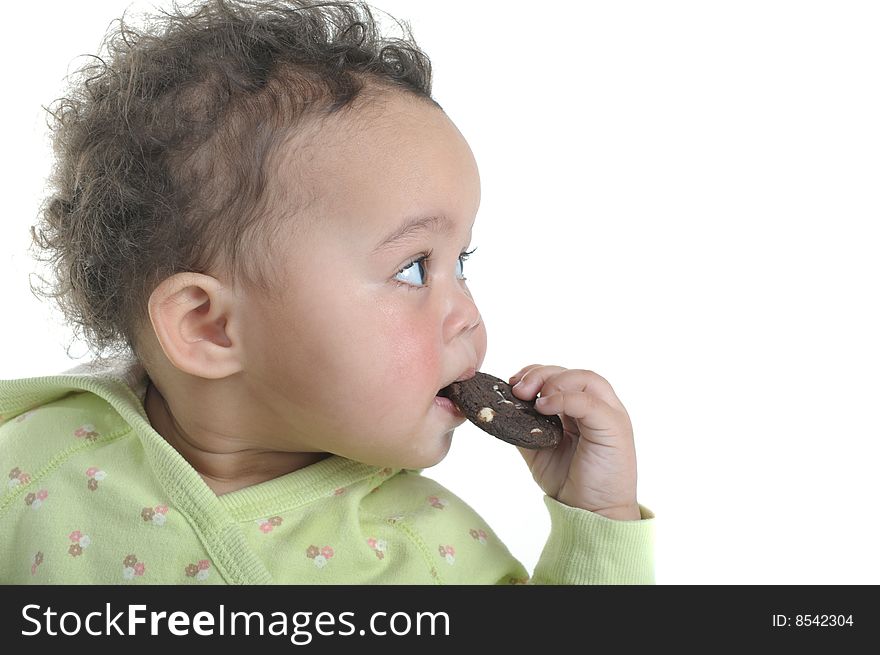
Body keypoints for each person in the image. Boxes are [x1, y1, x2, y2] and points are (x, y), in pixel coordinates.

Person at [0, 0, 653, 584]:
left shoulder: (428, 551)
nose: (470, 319)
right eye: (414, 269)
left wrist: (599, 521)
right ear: (210, 327)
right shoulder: (30, 469)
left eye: (464, 262)